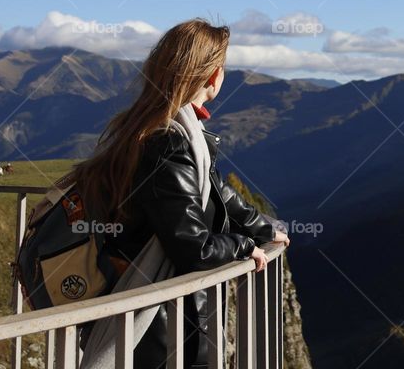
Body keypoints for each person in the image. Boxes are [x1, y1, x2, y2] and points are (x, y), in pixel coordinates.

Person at [72, 19, 290, 369]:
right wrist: (244, 247)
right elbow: (194, 248)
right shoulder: (169, 141)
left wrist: (263, 228)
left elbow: (213, 191)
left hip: (162, 316)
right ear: (213, 76)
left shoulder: (167, 130)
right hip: (162, 328)